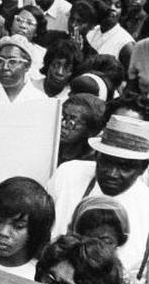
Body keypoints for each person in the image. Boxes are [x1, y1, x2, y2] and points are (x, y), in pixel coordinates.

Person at [47, 114, 149, 273]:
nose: (112, 174)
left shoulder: (146, 206)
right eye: (107, 162)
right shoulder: (68, 175)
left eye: (125, 167)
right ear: (96, 156)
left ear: (142, 168)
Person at [68, 197, 149, 284]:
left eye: (106, 242)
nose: (97, 248)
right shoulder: (63, 270)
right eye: (90, 239)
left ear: (118, 242)